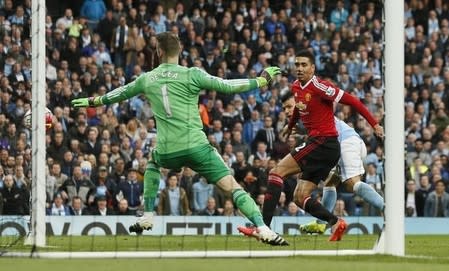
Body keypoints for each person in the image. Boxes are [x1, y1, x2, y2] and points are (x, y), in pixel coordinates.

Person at [72, 31, 287, 246]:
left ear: (158, 51)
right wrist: (261, 80)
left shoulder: (146, 79)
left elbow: (119, 93)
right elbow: (228, 86)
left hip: (167, 151)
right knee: (232, 188)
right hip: (197, 147)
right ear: (180, 50)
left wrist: (94, 101)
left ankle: (147, 215)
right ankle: (263, 228)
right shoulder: (192, 74)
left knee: (153, 163)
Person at [238, 50, 384, 241]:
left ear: (313, 68)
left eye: (304, 65)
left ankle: (263, 228)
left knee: (276, 173)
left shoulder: (320, 87)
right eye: (297, 64)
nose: (299, 68)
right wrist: (290, 127)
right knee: (300, 197)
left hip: (325, 142)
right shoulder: (296, 86)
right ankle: (335, 222)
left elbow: (353, 100)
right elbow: (299, 108)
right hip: (324, 146)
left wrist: (374, 124)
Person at [299, 114, 385, 233]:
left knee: (352, 184)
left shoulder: (313, 116)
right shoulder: (314, 116)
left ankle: (386, 209)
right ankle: (321, 223)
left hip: (346, 143)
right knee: (330, 182)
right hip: (348, 142)